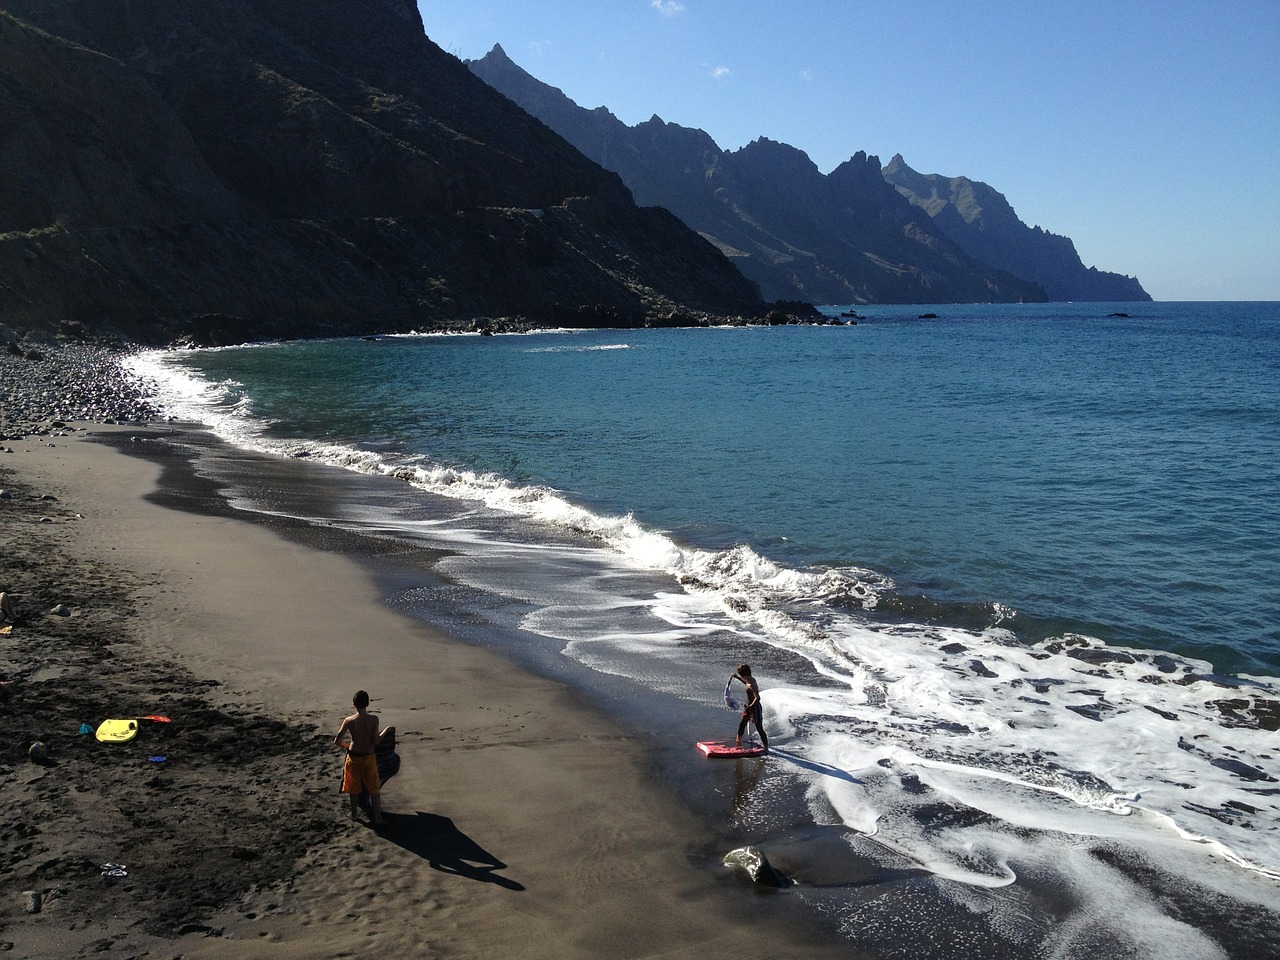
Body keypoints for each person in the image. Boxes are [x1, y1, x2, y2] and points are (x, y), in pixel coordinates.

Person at [335, 690, 385, 824]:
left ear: (354, 705)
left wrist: (346, 746)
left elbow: (337, 740)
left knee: (353, 787)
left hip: (354, 756)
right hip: (368, 756)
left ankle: (354, 814)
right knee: (374, 788)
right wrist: (386, 731)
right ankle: (378, 818)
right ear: (367, 704)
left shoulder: (349, 720)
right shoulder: (374, 719)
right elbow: (376, 741)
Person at [734, 663, 768, 752]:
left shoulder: (752, 683)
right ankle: (738, 741)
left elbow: (757, 698)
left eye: (741, 675)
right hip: (749, 706)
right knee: (742, 723)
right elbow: (746, 682)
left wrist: (750, 707)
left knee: (759, 727)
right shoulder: (749, 680)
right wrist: (737, 678)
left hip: (755, 707)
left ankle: (766, 748)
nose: (742, 677)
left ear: (745, 675)